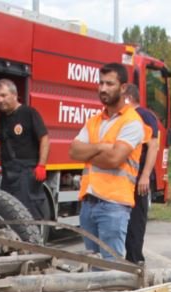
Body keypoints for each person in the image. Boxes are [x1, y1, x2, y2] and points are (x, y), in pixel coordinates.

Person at [68, 62, 144, 261]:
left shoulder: (132, 122)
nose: (103, 88)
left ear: (123, 88)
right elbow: (74, 151)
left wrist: (89, 152)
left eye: (109, 84)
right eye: (100, 83)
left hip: (113, 206)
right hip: (89, 203)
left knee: (110, 270)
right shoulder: (94, 121)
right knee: (93, 266)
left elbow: (114, 159)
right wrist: (101, 147)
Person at [0, 79, 50, 224]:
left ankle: (33, 244)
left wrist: (41, 165)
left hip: (27, 173)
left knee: (28, 214)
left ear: (14, 95)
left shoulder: (29, 113)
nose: (0, 100)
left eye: (3, 95)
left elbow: (44, 139)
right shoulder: (2, 119)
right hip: (9, 173)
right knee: (9, 212)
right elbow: (3, 144)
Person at [122, 83, 161, 264]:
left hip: (139, 180)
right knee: (125, 225)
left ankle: (135, 261)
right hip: (126, 180)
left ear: (128, 98)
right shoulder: (124, 117)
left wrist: (145, 175)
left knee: (136, 224)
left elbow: (153, 146)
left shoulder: (144, 116)